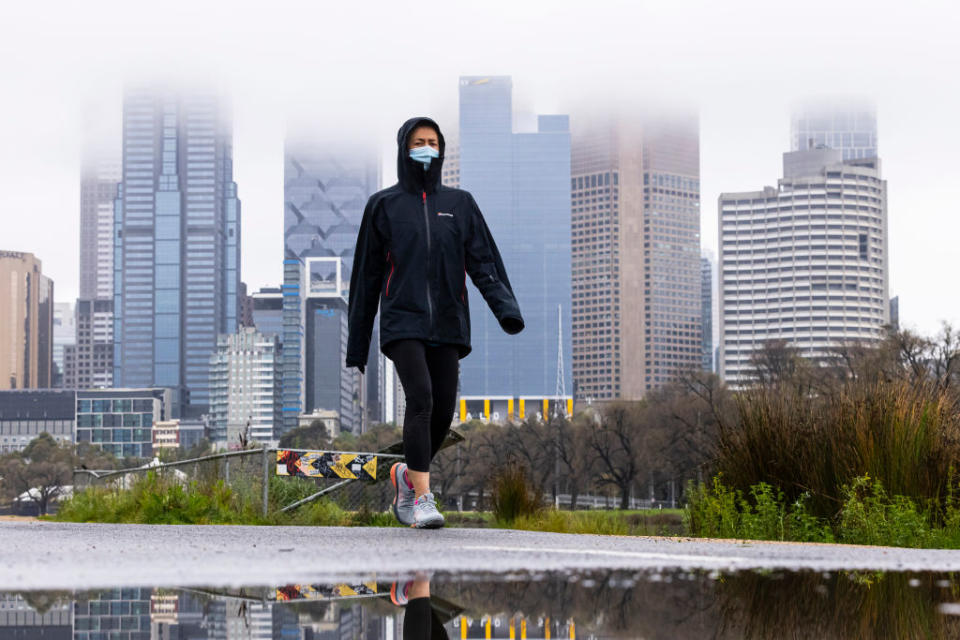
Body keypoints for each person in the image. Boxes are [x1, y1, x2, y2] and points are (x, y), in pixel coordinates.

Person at [346, 116, 524, 529]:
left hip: (448, 320)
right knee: (421, 398)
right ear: (403, 149)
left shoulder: (460, 205)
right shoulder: (383, 205)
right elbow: (367, 278)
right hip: (402, 321)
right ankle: (423, 499)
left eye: (432, 141)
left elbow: (483, 262)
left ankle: (406, 476)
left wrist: (506, 309)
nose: (426, 147)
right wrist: (358, 345)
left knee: (443, 410)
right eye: (418, 141)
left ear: (441, 149)